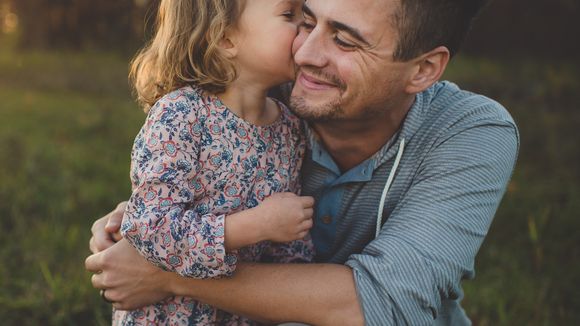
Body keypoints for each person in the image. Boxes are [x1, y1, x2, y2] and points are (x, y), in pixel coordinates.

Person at [86, 0, 519, 324]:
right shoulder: (259, 99)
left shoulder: (470, 131)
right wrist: (128, 223)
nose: (306, 53)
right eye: (306, 21)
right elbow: (168, 205)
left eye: (345, 41)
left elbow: (384, 301)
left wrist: (168, 275)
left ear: (423, 70)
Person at [104, 0, 317, 324]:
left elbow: (288, 236)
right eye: (289, 15)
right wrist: (255, 225)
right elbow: (150, 229)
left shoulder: (290, 127)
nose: (305, 28)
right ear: (225, 39)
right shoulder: (181, 115)